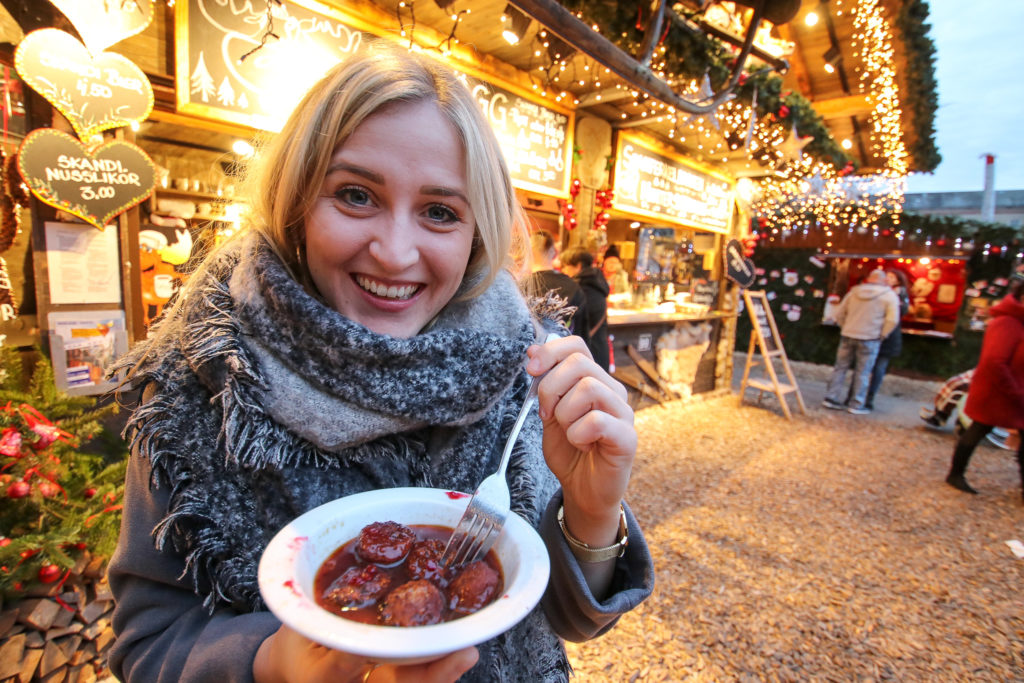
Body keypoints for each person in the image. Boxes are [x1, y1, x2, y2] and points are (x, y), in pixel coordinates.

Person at [107, 45, 653, 683]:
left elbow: (568, 617)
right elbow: (148, 641)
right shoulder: (202, 375)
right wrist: (276, 663)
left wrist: (590, 513)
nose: (395, 253)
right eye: (355, 195)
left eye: (440, 212)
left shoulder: (526, 365)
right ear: (298, 203)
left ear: (478, 232)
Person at [945, 274, 1024, 498]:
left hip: (1013, 390)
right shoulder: (1007, 322)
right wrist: (1015, 390)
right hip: (999, 391)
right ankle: (955, 474)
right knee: (978, 429)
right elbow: (994, 362)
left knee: (980, 430)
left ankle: (956, 473)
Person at [822, 269, 900, 415]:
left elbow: (840, 313)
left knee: (840, 368)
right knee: (863, 372)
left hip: (848, 334)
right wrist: (882, 334)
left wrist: (845, 327)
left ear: (869, 278)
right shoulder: (889, 296)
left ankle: (831, 398)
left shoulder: (853, 292)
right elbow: (892, 320)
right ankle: (856, 403)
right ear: (883, 280)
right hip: (870, 337)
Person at [523, 231, 590, 342]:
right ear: (553, 252)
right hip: (566, 354)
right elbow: (582, 334)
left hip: (530, 355)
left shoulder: (521, 286)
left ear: (529, 252)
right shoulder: (573, 287)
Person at [862, 268, 910, 410]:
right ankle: (859, 396)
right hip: (872, 332)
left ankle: (869, 397)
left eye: (891, 277)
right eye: (887, 276)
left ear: (898, 280)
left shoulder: (899, 294)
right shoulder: (877, 292)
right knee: (865, 367)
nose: (888, 279)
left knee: (878, 368)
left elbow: (897, 316)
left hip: (887, 337)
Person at [560, 247, 610, 372]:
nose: (563, 270)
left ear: (578, 266)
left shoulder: (578, 289)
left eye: (566, 266)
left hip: (587, 354)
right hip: (600, 349)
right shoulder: (597, 284)